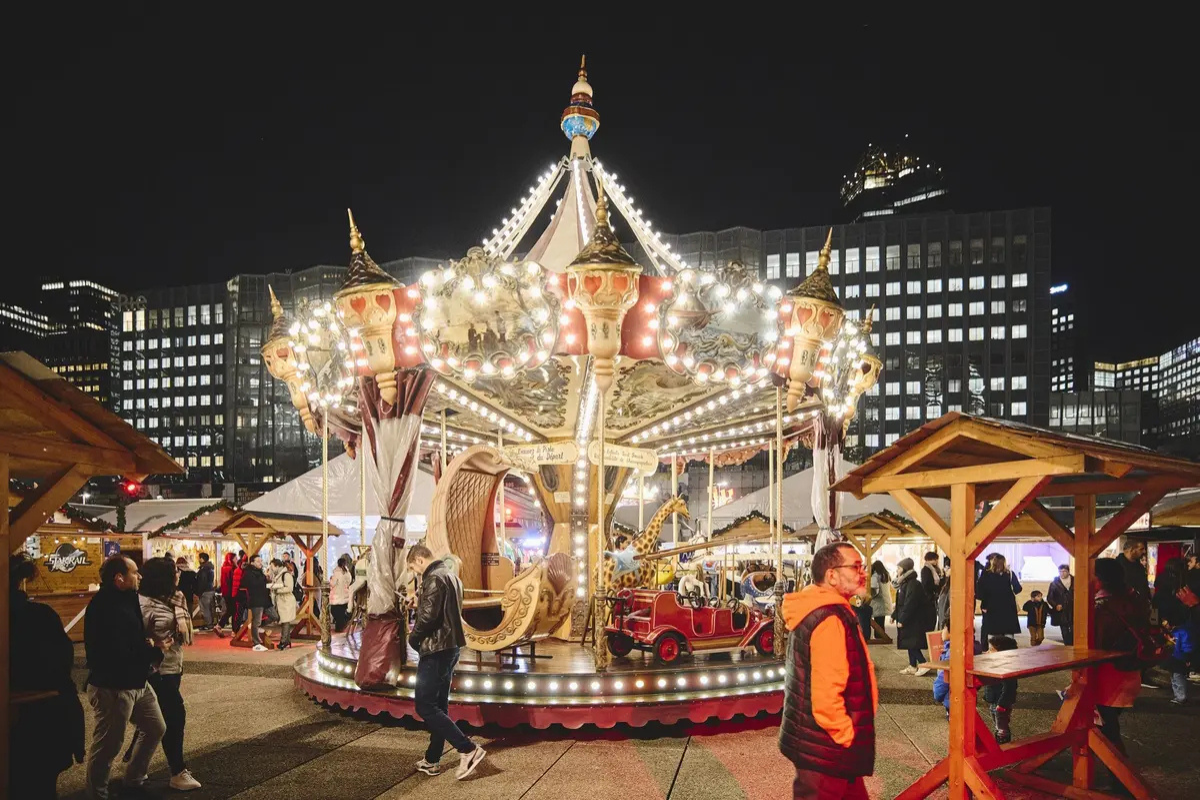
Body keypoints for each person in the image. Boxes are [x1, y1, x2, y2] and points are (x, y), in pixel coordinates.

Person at [778, 542, 877, 800]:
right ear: (831, 575)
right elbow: (826, 696)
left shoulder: (824, 611)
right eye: (855, 566)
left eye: (862, 566)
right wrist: (847, 737)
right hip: (828, 750)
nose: (863, 572)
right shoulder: (829, 618)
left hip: (826, 749)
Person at [84, 556, 168, 799]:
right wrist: (154, 650)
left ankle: (134, 778)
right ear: (119, 578)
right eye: (134, 572)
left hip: (136, 679)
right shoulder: (104, 606)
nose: (139, 576)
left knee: (155, 727)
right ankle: (97, 793)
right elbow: (116, 650)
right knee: (108, 745)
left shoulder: (128, 599)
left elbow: (130, 640)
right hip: (113, 685)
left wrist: (146, 644)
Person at [406, 544, 487, 780]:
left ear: (420, 560)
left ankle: (467, 748)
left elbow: (429, 618)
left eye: (414, 568)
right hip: (451, 647)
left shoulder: (433, 579)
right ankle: (432, 759)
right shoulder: (452, 577)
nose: (416, 573)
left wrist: (413, 638)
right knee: (439, 706)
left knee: (424, 705)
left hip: (435, 648)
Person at [10, 555, 85, 799]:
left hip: (35, 719)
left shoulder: (34, 617)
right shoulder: (39, 616)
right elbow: (61, 664)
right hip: (41, 722)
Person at [137, 556, 202, 791]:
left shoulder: (177, 597)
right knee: (174, 715)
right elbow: (137, 634)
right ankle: (177, 770)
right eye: (173, 572)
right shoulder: (143, 602)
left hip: (173, 663)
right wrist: (155, 644)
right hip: (155, 667)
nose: (178, 574)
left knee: (156, 719)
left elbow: (182, 630)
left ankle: (136, 770)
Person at [1090, 557, 1149, 753]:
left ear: (1099, 579)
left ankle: (1122, 781)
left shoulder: (1101, 606)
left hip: (1109, 675)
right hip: (1131, 670)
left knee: (1108, 730)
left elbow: (1096, 647)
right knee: (1106, 725)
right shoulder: (1135, 597)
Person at [892, 557, 934, 676]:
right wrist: (894, 615)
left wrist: (902, 619)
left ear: (904, 569)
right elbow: (902, 602)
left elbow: (910, 603)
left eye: (899, 568)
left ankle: (923, 663)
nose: (897, 570)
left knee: (912, 642)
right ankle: (912, 666)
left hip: (914, 619)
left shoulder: (913, 584)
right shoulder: (905, 583)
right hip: (910, 618)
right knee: (908, 642)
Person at [976, 553, 1022, 648]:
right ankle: (1009, 653)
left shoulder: (987, 575)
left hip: (992, 609)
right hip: (1008, 609)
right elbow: (1018, 589)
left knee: (993, 635)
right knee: (1009, 635)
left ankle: (993, 653)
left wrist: (984, 605)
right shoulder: (1010, 574)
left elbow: (980, 592)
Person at [983, 635, 1019, 743]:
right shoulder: (993, 666)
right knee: (996, 721)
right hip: (994, 700)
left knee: (1001, 724)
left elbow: (1010, 688)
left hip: (1001, 704)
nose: (987, 653)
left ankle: (1003, 741)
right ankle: (1000, 739)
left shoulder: (1006, 669)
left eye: (991, 650)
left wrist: (1002, 704)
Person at [241, 554, 272, 651]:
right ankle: (256, 642)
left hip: (265, 599)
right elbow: (251, 584)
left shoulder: (260, 572)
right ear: (252, 562)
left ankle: (256, 626)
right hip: (255, 599)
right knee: (257, 620)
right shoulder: (248, 573)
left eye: (261, 561)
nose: (260, 563)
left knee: (275, 616)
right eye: (258, 561)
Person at [269, 557, 298, 650]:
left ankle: (283, 641)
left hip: (286, 601)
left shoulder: (286, 575)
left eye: (272, 567)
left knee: (285, 621)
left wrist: (277, 590)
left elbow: (290, 588)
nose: (271, 569)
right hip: (281, 601)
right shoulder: (279, 575)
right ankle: (287, 640)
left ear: (277, 566)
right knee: (284, 621)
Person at [1047, 564, 1075, 645]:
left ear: (1068, 572)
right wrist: (1055, 605)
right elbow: (1050, 597)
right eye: (1060, 571)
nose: (1062, 573)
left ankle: (1073, 644)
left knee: (1074, 629)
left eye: (1064, 571)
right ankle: (1067, 645)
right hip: (1061, 610)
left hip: (1073, 608)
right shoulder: (1054, 583)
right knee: (1064, 629)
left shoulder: (1075, 581)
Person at [868, 560, 892, 638]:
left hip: (878, 602)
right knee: (881, 621)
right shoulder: (886, 575)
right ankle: (882, 637)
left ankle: (879, 637)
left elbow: (873, 589)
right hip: (886, 601)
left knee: (877, 622)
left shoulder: (875, 576)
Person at [330, 555, 353, 631]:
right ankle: (341, 626)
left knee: (335, 611)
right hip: (344, 596)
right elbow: (349, 581)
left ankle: (339, 627)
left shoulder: (336, 572)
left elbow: (332, 583)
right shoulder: (347, 572)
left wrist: (331, 580)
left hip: (337, 596)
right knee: (342, 613)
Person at [195, 552, 216, 631]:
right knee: (210, 608)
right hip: (210, 590)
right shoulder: (210, 568)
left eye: (199, 558)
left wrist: (199, 593)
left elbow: (202, 582)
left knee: (205, 608)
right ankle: (211, 623)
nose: (198, 559)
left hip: (205, 591)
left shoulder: (204, 569)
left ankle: (209, 624)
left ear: (202, 559)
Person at [218, 551, 237, 629]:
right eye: (235, 558)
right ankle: (234, 629)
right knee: (233, 611)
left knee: (230, 610)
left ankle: (220, 625)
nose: (237, 560)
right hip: (232, 592)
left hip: (225, 592)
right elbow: (232, 581)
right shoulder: (232, 569)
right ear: (231, 559)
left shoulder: (224, 568)